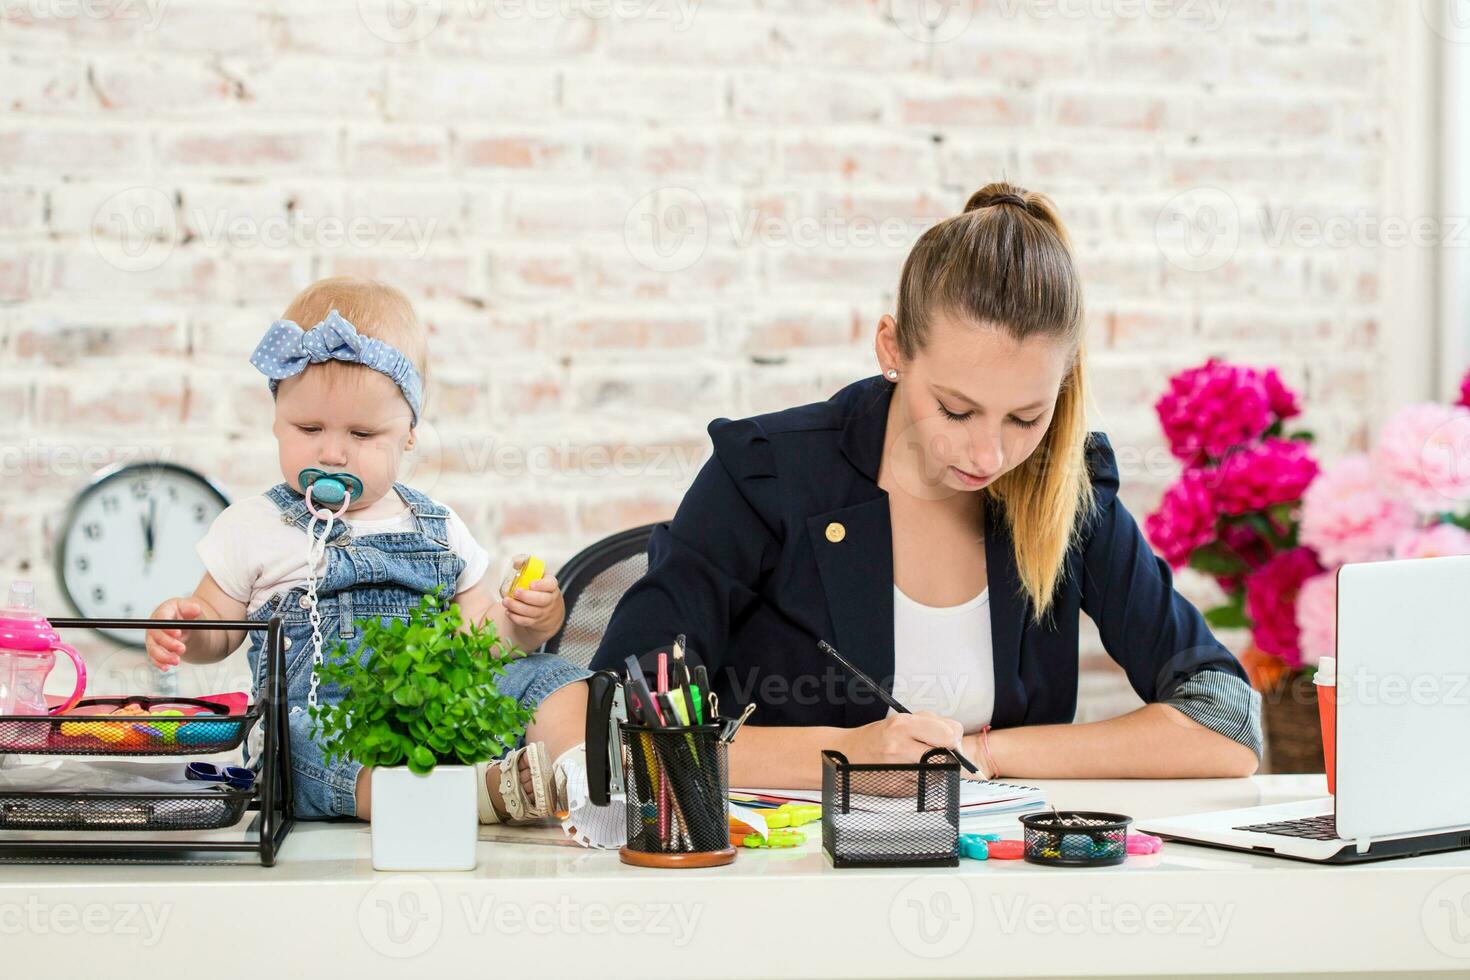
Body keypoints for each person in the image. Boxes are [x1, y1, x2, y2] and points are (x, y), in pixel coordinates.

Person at [592, 182, 1263, 788]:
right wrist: (847, 756)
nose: (990, 452)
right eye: (955, 409)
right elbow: (616, 728)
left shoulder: (1066, 486)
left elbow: (1229, 722)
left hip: (1001, 879)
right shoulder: (766, 475)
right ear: (892, 348)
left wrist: (981, 755)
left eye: (1026, 416)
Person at [143, 276, 589, 821]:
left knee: (549, 678)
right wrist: (190, 626)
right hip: (331, 731)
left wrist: (528, 624)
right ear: (275, 422)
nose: (332, 452)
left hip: (438, 719)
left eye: (362, 435)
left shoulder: (439, 528)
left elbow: (482, 644)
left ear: (407, 435)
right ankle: (475, 796)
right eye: (309, 427)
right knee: (287, 735)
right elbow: (221, 627)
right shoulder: (253, 526)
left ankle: (577, 789)